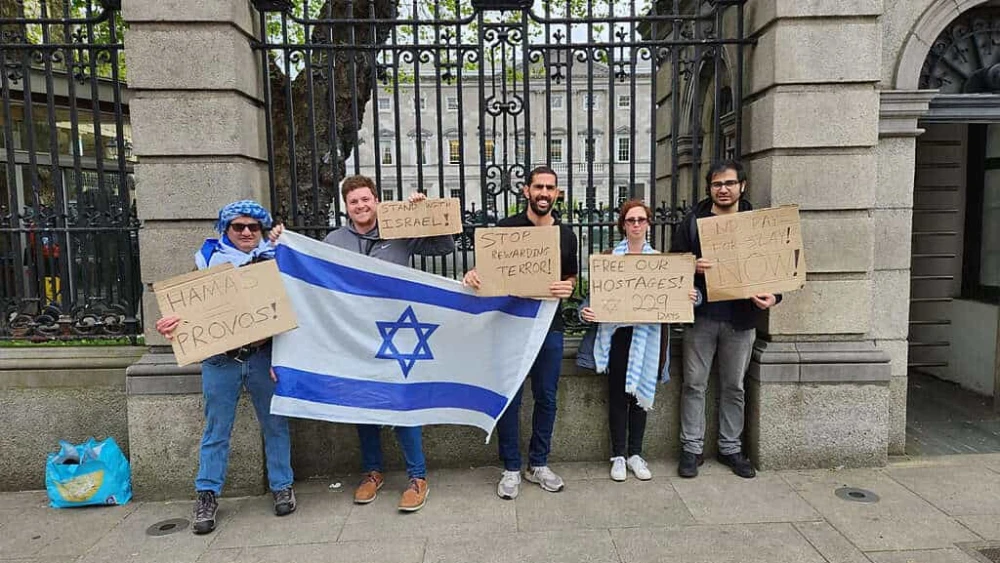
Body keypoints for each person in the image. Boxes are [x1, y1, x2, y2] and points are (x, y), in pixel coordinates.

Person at [270, 174, 454, 512]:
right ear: (347, 207)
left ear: (376, 201)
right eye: (354, 201)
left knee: (403, 405)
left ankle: (418, 476)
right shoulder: (333, 239)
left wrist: (425, 212)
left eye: (366, 199)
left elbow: (445, 247)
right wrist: (282, 242)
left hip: (397, 333)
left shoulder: (399, 228)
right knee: (362, 405)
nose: (361, 206)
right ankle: (373, 472)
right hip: (353, 338)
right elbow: (311, 281)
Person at [155, 200, 295, 535]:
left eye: (253, 227)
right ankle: (207, 494)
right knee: (216, 431)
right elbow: (186, 313)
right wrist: (171, 325)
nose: (246, 232)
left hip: (263, 357)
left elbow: (292, 310)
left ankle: (283, 485)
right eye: (238, 226)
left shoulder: (276, 258)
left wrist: (285, 243)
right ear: (226, 229)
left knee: (275, 425)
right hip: (220, 360)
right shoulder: (205, 264)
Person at [462, 165, 577, 500]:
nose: (544, 193)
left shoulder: (566, 235)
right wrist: (473, 275)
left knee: (547, 397)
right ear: (526, 190)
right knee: (510, 397)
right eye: (538, 187)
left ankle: (538, 463)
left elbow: (570, 278)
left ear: (557, 194)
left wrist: (568, 286)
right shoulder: (505, 228)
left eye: (550, 188)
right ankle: (511, 466)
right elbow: (486, 273)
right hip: (509, 325)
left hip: (548, 326)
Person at [669, 159, 780, 479]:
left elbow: (779, 267)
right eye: (717, 184)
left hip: (742, 320)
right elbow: (673, 266)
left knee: (734, 386)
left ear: (742, 186)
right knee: (694, 385)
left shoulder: (757, 223)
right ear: (710, 188)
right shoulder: (693, 222)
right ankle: (691, 448)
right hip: (701, 318)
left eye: (729, 183)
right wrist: (692, 266)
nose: (723, 189)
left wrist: (775, 297)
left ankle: (730, 448)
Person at [578, 200, 700, 481]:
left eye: (640, 220)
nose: (635, 225)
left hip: (648, 338)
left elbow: (685, 295)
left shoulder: (661, 261)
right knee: (619, 397)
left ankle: (636, 454)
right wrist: (585, 312)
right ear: (623, 225)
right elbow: (590, 302)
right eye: (630, 220)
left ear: (648, 224)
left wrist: (694, 296)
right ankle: (618, 455)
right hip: (617, 336)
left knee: (640, 397)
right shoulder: (609, 258)